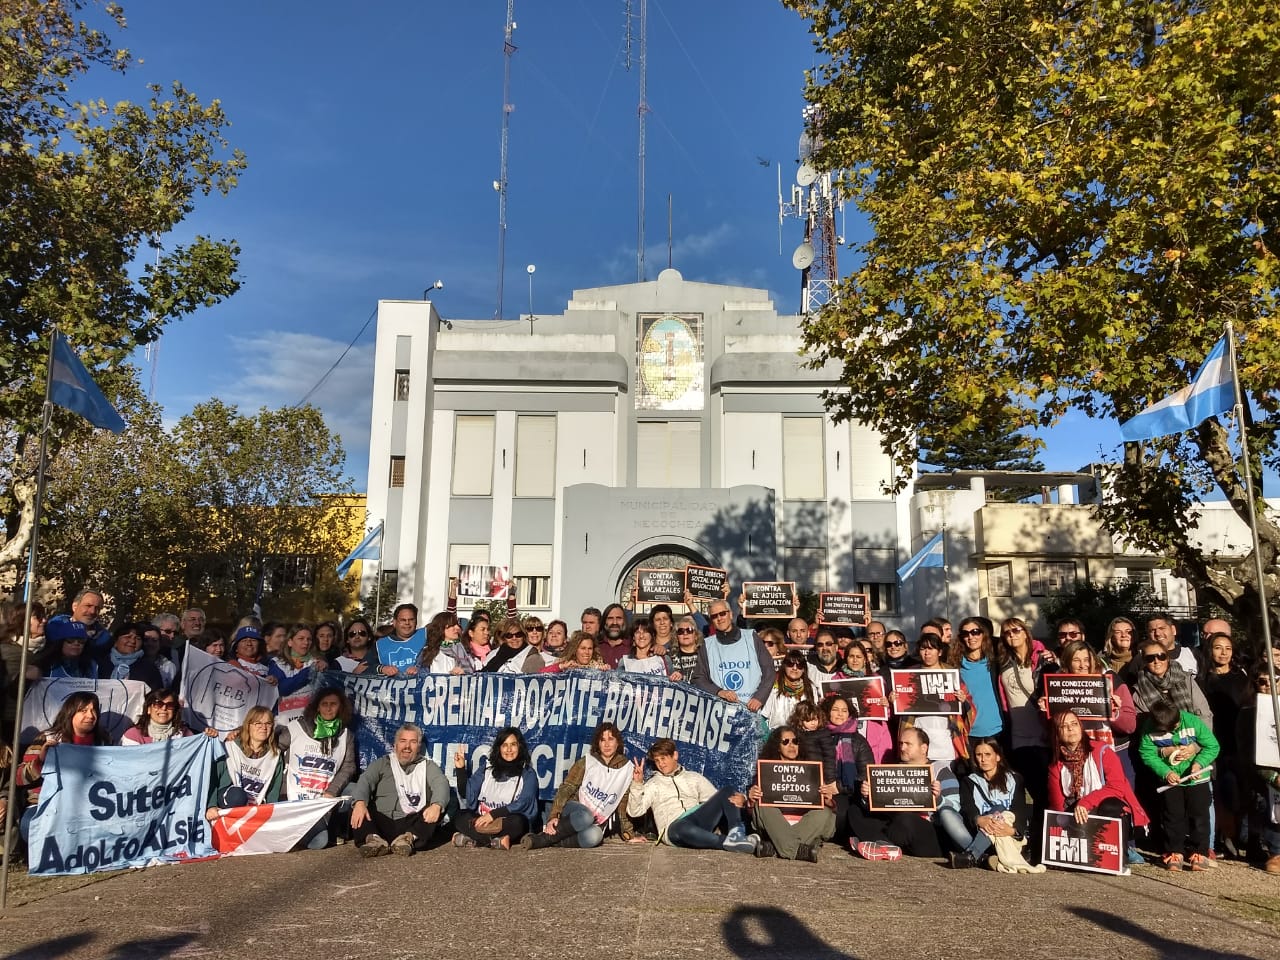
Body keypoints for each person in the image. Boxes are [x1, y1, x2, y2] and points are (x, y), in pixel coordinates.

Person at [1047, 710, 1149, 866]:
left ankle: (1120, 854)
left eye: (1074, 724)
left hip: (1102, 803)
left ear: (1081, 727)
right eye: (1064, 726)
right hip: (1074, 810)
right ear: (1056, 733)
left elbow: (1116, 787)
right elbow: (1057, 804)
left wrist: (1086, 803)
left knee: (1113, 806)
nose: (1070, 729)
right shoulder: (1056, 764)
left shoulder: (1102, 750)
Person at [625, 738, 759, 854]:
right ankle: (729, 842)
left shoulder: (694, 778)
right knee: (682, 827)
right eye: (657, 760)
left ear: (675, 755)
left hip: (698, 821)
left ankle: (737, 834)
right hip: (675, 828)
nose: (661, 764)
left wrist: (744, 798)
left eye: (664, 758)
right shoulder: (653, 784)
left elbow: (716, 799)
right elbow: (635, 811)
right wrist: (637, 784)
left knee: (727, 791)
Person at [523, 721, 639, 849]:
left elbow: (621, 805)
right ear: (598, 743)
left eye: (610, 739)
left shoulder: (626, 770)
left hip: (595, 820)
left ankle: (552, 841)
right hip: (575, 809)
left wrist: (629, 834)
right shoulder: (587, 761)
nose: (606, 744)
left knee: (595, 836)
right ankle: (541, 839)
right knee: (586, 816)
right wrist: (553, 816)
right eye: (602, 740)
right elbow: (566, 788)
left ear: (618, 743)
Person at [847, 726, 956, 861]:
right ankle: (883, 844)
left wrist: (938, 798)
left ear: (924, 748)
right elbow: (880, 806)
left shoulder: (941, 771)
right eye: (901, 744)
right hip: (895, 823)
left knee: (906, 819)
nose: (902, 748)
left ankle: (874, 842)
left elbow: (955, 809)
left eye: (908, 744)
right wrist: (868, 795)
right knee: (854, 810)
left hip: (927, 830)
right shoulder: (893, 769)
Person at [1138, 697, 1220, 871]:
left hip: (1197, 778)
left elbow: (1212, 746)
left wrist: (1199, 763)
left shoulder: (1191, 721)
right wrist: (1165, 772)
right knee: (1172, 816)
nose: (1175, 730)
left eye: (1176, 726)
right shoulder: (1149, 729)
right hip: (1171, 781)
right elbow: (1146, 753)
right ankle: (1174, 851)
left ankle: (1200, 852)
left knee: (1199, 815)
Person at [350, 723, 453, 857]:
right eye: (403, 741)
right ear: (395, 745)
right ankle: (374, 841)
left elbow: (441, 783)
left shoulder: (427, 766)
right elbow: (366, 780)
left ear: (419, 746)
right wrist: (360, 803)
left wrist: (437, 805)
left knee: (435, 811)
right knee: (357, 806)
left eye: (413, 742)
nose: (407, 747)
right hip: (381, 821)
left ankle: (408, 839)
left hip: (411, 823)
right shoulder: (383, 763)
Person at [17, 692, 108, 839]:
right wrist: (41, 761)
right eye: (83, 710)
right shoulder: (47, 738)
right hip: (48, 804)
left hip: (90, 804)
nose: (91, 716)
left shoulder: (103, 741)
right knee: (30, 825)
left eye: (94, 710)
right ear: (70, 712)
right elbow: (19, 778)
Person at [948, 737, 1042, 873]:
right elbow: (968, 808)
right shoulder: (969, 781)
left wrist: (1012, 831)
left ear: (997, 757)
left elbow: (1019, 809)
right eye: (979, 755)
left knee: (999, 809)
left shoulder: (1015, 779)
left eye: (987, 754)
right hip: (979, 831)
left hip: (1007, 833)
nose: (983, 759)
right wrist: (978, 819)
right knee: (948, 814)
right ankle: (985, 858)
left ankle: (972, 855)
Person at [279, 688, 358, 847]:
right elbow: (274, 749)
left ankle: (333, 827)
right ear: (317, 707)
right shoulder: (297, 727)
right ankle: (293, 831)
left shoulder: (346, 735)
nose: (329, 708)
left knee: (355, 791)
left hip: (322, 797)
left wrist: (332, 791)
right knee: (317, 841)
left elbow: (349, 766)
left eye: (333, 704)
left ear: (340, 707)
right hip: (293, 796)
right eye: (324, 704)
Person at [747, 725, 837, 862]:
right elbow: (752, 813)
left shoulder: (812, 770)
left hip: (804, 821)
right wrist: (751, 801)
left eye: (795, 741)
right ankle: (798, 850)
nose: (791, 745)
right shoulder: (766, 771)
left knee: (825, 813)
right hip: (776, 822)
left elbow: (830, 806)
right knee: (762, 806)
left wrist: (828, 800)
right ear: (777, 746)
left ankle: (775, 847)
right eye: (785, 742)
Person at [1197, 631, 1249, 856]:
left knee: (1237, 793)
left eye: (1228, 648)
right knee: (1216, 794)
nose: (1224, 653)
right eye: (1218, 647)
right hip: (1212, 743)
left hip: (1238, 743)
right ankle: (1219, 839)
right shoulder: (1202, 680)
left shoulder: (1242, 679)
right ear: (1210, 650)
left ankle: (1237, 837)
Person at [453, 727, 539, 849]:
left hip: (506, 821)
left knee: (519, 823)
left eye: (513, 745)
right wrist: (461, 769)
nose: (509, 749)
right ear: (499, 748)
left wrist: (493, 815)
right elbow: (467, 793)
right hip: (483, 818)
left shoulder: (528, 773)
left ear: (519, 747)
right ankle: (495, 842)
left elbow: (524, 802)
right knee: (460, 816)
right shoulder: (487, 768)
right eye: (504, 745)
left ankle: (475, 839)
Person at [693, 599, 775, 713]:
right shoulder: (707, 645)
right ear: (711, 621)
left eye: (722, 613)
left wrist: (759, 697)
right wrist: (719, 692)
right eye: (714, 616)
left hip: (753, 709)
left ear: (730, 614)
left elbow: (769, 670)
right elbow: (699, 678)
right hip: (722, 712)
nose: (719, 618)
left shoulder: (752, 637)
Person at [206, 705, 283, 813]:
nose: (264, 727)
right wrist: (211, 806)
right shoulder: (230, 747)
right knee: (238, 795)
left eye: (268, 723)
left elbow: (273, 791)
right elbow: (214, 778)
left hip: (256, 803)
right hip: (229, 798)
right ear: (248, 725)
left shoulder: (274, 756)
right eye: (258, 723)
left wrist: (271, 815)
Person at [948, 617, 1006, 750]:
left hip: (997, 732)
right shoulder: (954, 665)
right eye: (965, 633)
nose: (970, 637)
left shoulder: (996, 661)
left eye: (975, 632)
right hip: (968, 733)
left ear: (983, 634)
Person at [823, 694, 874, 841]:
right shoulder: (818, 737)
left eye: (844, 710)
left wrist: (838, 787)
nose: (840, 714)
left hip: (849, 792)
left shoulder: (858, 741)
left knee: (841, 813)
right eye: (835, 709)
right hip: (823, 789)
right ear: (827, 712)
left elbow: (866, 774)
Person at [1131, 639, 1212, 723]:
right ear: (1144, 662)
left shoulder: (1186, 679)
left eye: (1161, 656)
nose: (1156, 661)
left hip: (1194, 732)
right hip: (1160, 734)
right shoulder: (1139, 690)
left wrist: (1202, 735)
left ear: (1167, 658)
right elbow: (1145, 723)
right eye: (1150, 658)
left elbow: (1204, 714)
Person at [120, 689, 205, 744]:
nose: (164, 708)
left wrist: (209, 736)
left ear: (175, 710)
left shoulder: (186, 735)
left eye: (170, 705)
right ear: (148, 709)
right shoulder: (133, 735)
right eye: (158, 704)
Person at [96, 621, 165, 690]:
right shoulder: (100, 664)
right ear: (116, 641)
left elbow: (156, 694)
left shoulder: (149, 669)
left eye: (138, 638)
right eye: (128, 637)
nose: (132, 641)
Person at [762, 649, 818, 730]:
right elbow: (764, 715)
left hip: (802, 735)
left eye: (799, 666)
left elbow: (813, 715)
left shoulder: (811, 688)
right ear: (784, 666)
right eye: (790, 664)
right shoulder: (773, 686)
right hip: (777, 734)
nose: (795, 668)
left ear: (803, 669)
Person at [269, 623, 328, 695]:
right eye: (301, 638)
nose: (306, 642)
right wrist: (308, 672)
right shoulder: (277, 663)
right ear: (290, 642)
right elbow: (281, 688)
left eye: (309, 639)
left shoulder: (318, 662)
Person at [33, 619, 97, 679]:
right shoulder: (46, 665)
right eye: (71, 640)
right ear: (61, 642)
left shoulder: (92, 666)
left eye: (81, 641)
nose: (76, 643)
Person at [541, 632, 607, 673]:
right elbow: (541, 673)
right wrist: (561, 667)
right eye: (583, 648)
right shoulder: (565, 663)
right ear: (575, 650)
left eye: (590, 648)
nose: (587, 652)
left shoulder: (599, 665)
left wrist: (606, 671)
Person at [667, 615, 701, 683]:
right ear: (676, 637)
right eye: (681, 631)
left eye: (689, 630)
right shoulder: (669, 657)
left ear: (696, 635)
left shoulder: (705, 654)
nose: (685, 633)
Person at [597, 603, 630, 668]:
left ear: (624, 621)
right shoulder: (596, 646)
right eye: (610, 618)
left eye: (619, 618)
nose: (614, 622)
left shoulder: (633, 647)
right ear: (604, 622)